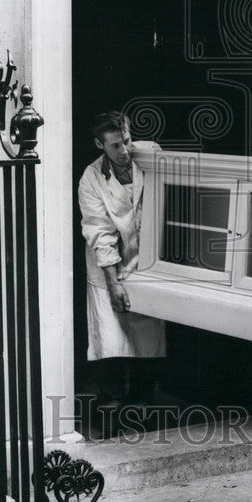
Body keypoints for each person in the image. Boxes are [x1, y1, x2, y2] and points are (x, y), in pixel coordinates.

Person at [78, 111, 166, 419]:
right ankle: (111, 407)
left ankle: (141, 403)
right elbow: (99, 231)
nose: (124, 151)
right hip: (107, 267)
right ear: (99, 145)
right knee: (112, 338)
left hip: (145, 262)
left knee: (147, 337)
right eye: (115, 145)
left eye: (126, 141)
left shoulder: (150, 156)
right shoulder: (91, 178)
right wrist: (114, 282)